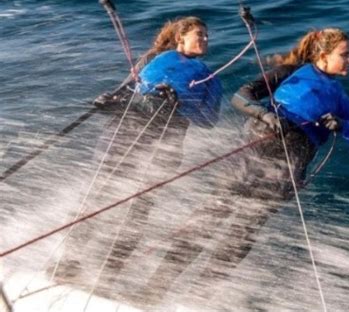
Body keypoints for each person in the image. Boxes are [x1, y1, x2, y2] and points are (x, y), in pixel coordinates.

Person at [135, 27, 349, 308]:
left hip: (284, 173)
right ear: (323, 55)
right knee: (207, 221)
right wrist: (264, 114)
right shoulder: (290, 73)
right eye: (345, 55)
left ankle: (197, 297)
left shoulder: (341, 101)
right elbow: (242, 96)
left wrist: (344, 126)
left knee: (239, 236)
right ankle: (154, 290)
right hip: (250, 157)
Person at [52, 16, 222, 294]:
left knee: (137, 211)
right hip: (125, 132)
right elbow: (127, 92)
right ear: (180, 39)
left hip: (165, 143)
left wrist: (179, 104)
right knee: (98, 197)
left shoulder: (209, 77)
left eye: (206, 35)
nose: (204, 39)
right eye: (198, 34)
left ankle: (107, 276)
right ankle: (66, 262)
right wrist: (108, 101)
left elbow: (209, 119)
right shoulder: (152, 60)